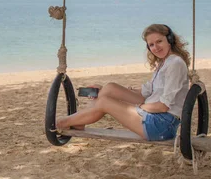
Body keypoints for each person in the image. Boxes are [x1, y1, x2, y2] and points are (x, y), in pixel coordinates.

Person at [56, 24, 191, 141]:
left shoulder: (175, 64)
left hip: (161, 125)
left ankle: (63, 122)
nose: (155, 47)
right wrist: (104, 91)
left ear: (169, 40)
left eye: (159, 41)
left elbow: (163, 106)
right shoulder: (164, 63)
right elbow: (148, 91)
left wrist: (137, 106)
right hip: (154, 115)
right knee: (110, 88)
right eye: (151, 45)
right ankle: (79, 121)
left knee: (104, 102)